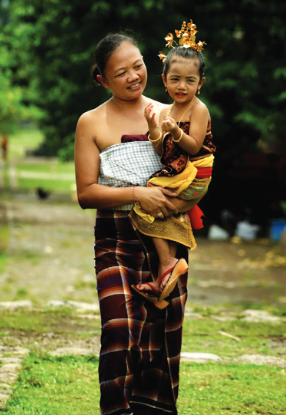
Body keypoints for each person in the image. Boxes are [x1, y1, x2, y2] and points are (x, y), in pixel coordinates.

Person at [75, 31, 204, 415]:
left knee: (161, 337)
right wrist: (137, 194)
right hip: (115, 241)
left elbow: (194, 166)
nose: (134, 76)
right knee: (119, 329)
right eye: (121, 72)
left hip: (166, 240)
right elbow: (86, 193)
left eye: (139, 66)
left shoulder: (171, 112)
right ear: (102, 79)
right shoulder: (90, 122)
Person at [130, 20, 215, 305]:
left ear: (200, 84)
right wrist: (153, 126)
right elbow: (160, 149)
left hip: (195, 173)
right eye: (175, 79)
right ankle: (164, 279)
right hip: (177, 171)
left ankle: (168, 264)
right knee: (147, 209)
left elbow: (193, 146)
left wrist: (177, 131)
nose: (182, 86)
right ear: (164, 80)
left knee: (150, 206)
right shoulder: (165, 109)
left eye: (190, 81)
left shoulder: (198, 109)